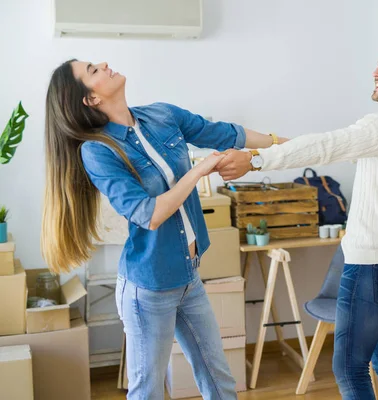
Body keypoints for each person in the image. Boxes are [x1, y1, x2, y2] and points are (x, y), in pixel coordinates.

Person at [40, 59, 286, 400]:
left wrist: (287, 146)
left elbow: (229, 133)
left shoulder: (162, 116)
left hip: (188, 277)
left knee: (219, 381)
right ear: (90, 99)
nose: (105, 64)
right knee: (148, 392)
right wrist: (199, 171)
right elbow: (148, 213)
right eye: (93, 70)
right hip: (147, 289)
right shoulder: (97, 151)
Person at [215, 38, 378, 400]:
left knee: (349, 369)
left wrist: (255, 159)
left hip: (371, 265)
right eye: (377, 64)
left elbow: (330, 144)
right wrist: (283, 146)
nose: (375, 72)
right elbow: (346, 149)